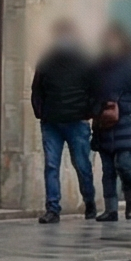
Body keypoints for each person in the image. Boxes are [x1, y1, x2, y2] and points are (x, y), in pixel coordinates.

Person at [27, 19, 98, 224]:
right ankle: (52, 208)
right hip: (52, 122)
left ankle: (89, 201)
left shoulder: (85, 60)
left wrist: (88, 112)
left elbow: (96, 90)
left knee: (82, 165)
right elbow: (37, 89)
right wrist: (41, 112)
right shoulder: (47, 60)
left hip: (77, 122)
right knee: (51, 165)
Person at [92, 24, 131, 222]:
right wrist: (95, 109)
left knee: (124, 165)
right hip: (105, 123)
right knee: (108, 170)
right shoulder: (99, 66)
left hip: (126, 123)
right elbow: (91, 91)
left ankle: (130, 198)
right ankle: (111, 210)